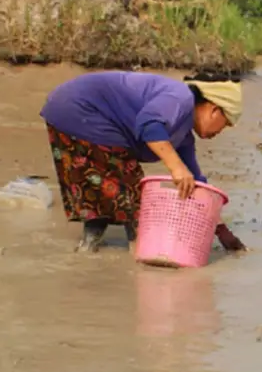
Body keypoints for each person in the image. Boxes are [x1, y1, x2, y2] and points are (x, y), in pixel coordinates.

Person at [39, 71, 248, 253]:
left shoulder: (183, 135)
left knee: (98, 190)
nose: (221, 131)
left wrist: (221, 231)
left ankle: (88, 248)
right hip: (82, 109)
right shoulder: (181, 98)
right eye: (225, 124)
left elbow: (197, 184)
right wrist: (176, 166)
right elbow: (149, 125)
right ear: (214, 109)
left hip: (63, 110)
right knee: (136, 203)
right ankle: (142, 258)